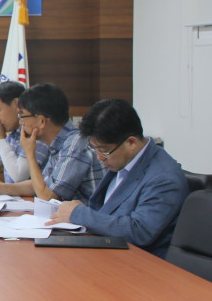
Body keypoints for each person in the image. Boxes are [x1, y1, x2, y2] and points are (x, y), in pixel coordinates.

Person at [49, 99, 189, 257]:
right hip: (107, 250)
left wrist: (79, 214)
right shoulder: (124, 161)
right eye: (95, 149)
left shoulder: (164, 178)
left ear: (131, 143)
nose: (100, 157)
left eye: (104, 150)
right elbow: (107, 211)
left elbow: (139, 231)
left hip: (139, 261)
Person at [0, 83, 103, 202]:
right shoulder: (59, 142)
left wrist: (30, 154)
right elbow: (39, 184)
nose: (21, 122)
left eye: (22, 116)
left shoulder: (74, 144)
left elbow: (47, 197)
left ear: (41, 121)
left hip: (89, 221)